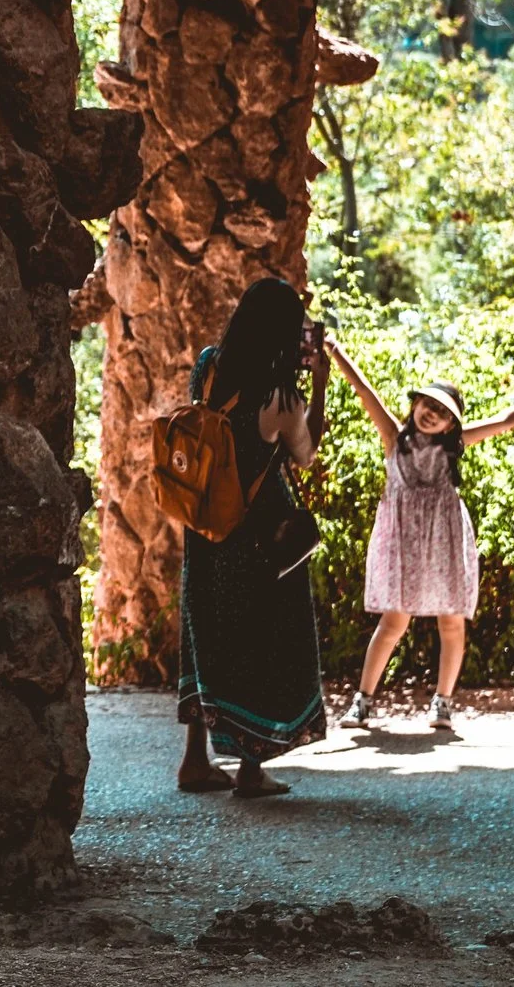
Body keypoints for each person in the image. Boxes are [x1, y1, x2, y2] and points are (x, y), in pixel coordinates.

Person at [328, 353, 514, 729]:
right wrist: (336, 352)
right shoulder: (394, 438)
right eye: (427, 404)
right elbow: (363, 390)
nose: (431, 414)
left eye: (442, 411)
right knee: (393, 623)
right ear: (414, 404)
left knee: (451, 622)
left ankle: (443, 702)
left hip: (445, 538)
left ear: (452, 424)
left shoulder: (454, 445)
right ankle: (363, 700)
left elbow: (503, 422)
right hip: (404, 541)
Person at [176, 278, 327, 798]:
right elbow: (305, 455)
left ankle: (195, 759)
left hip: (204, 522)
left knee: (206, 631)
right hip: (257, 531)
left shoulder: (210, 365)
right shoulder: (280, 397)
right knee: (265, 640)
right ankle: (250, 769)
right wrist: (320, 383)